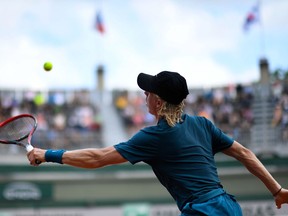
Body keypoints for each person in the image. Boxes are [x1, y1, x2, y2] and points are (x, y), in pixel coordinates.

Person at [27, 71, 288, 215]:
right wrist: (277, 190)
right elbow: (244, 153)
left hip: (203, 212)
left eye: (148, 93)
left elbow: (97, 158)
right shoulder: (203, 124)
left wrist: (47, 154)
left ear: (159, 102)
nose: (144, 96)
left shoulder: (153, 137)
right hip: (230, 208)